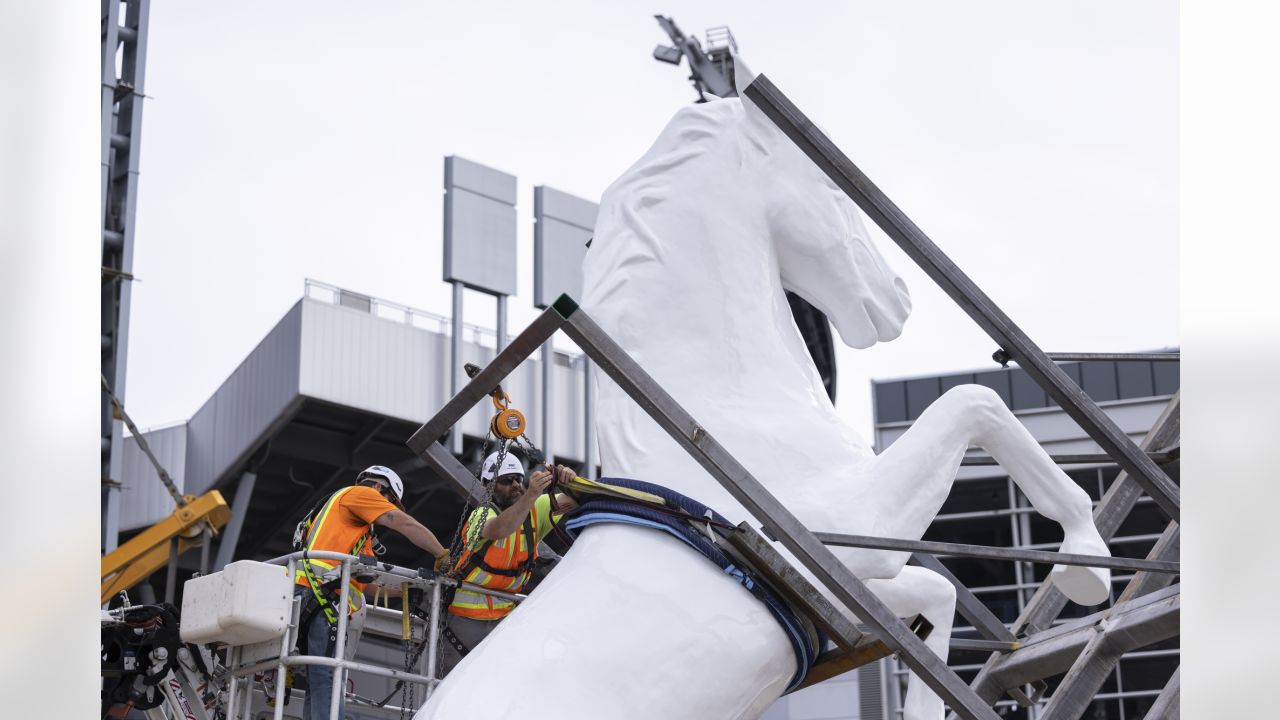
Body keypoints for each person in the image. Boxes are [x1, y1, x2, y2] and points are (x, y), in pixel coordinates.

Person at [293, 465, 449, 720]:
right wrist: (440, 553)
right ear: (378, 487)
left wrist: (404, 592)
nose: (387, 509)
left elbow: (365, 584)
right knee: (326, 677)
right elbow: (404, 523)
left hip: (318, 599)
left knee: (321, 678)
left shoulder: (350, 528)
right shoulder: (359, 494)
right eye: (389, 502)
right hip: (323, 600)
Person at [439, 451, 579, 675]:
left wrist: (569, 481)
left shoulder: (534, 508)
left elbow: (573, 502)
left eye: (518, 479)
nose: (515, 485)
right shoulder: (481, 515)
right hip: (464, 621)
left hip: (504, 618)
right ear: (487, 486)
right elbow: (501, 528)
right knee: (451, 686)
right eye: (506, 481)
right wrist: (531, 494)